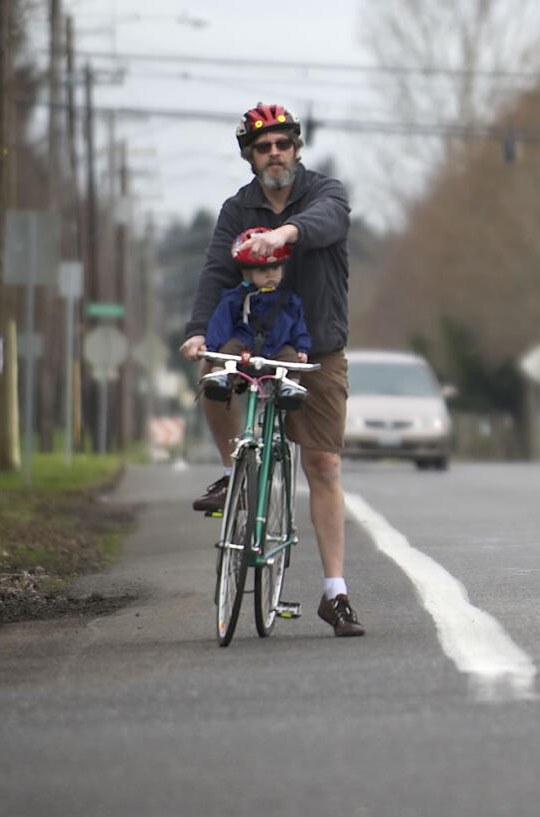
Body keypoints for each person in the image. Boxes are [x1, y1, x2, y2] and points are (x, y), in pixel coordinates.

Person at [179, 102, 363, 637]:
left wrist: (283, 235)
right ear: (250, 156)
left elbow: (327, 224)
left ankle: (336, 593)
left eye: (283, 143)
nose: (275, 153)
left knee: (323, 466)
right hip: (249, 345)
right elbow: (216, 271)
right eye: (264, 147)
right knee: (212, 378)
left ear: (296, 148)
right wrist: (197, 332)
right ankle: (238, 471)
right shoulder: (237, 210)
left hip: (313, 350)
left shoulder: (325, 193)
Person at [200, 226, 311, 404]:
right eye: (262, 270)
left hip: (278, 346)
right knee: (227, 350)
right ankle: (220, 379)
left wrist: (302, 348)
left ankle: (289, 387)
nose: (270, 274)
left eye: (275, 268)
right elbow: (221, 323)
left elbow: (299, 326)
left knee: (291, 359)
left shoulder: (290, 300)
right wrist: (211, 348)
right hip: (244, 344)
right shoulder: (236, 298)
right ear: (247, 273)